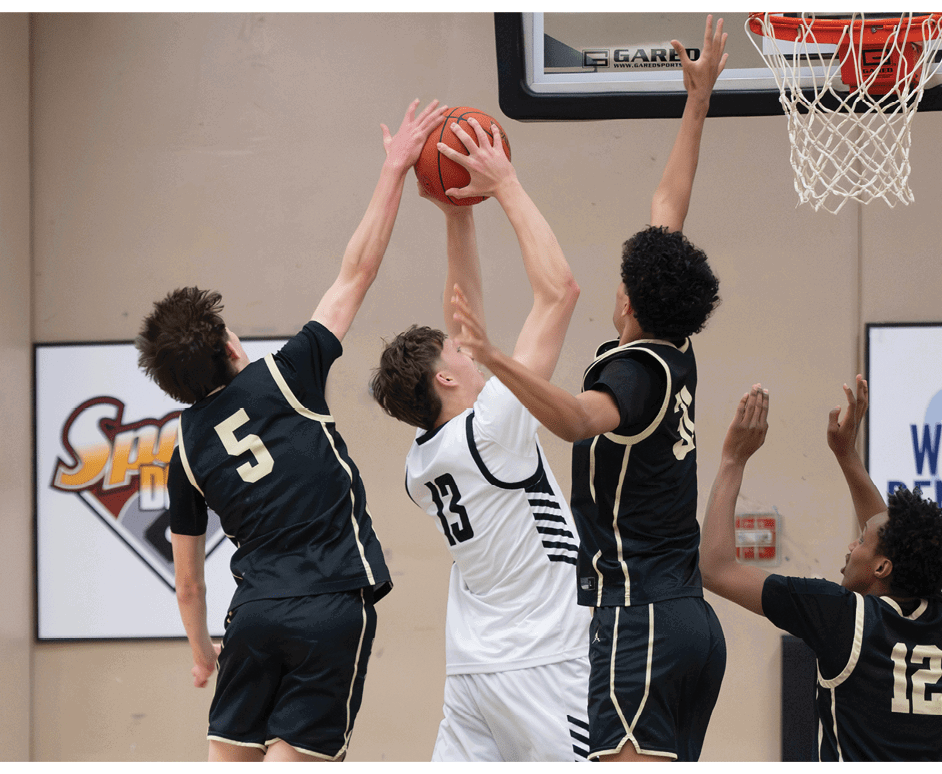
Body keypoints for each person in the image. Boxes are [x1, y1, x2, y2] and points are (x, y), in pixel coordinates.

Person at [448, 16, 730, 762]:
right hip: (690, 627)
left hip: (638, 621)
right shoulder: (677, 349)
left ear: (630, 302)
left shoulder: (633, 375)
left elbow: (576, 420)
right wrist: (696, 104)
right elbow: (669, 205)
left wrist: (495, 359)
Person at [134, 98, 449, 762]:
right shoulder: (286, 374)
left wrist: (200, 654)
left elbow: (187, 581)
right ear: (228, 343)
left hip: (253, 617)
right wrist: (393, 169)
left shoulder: (186, 446)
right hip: (329, 604)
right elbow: (356, 271)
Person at [370, 116, 590, 761]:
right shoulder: (494, 426)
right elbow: (560, 293)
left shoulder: (420, 463)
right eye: (456, 352)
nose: (468, 348)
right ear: (445, 376)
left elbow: (461, 314)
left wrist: (455, 213)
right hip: (545, 664)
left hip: (472, 675)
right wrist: (505, 185)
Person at [699, 377, 942, 761]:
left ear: (882, 566)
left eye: (860, 541)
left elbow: (715, 568)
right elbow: (887, 530)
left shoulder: (843, 616)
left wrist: (732, 460)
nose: (850, 545)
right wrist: (847, 455)